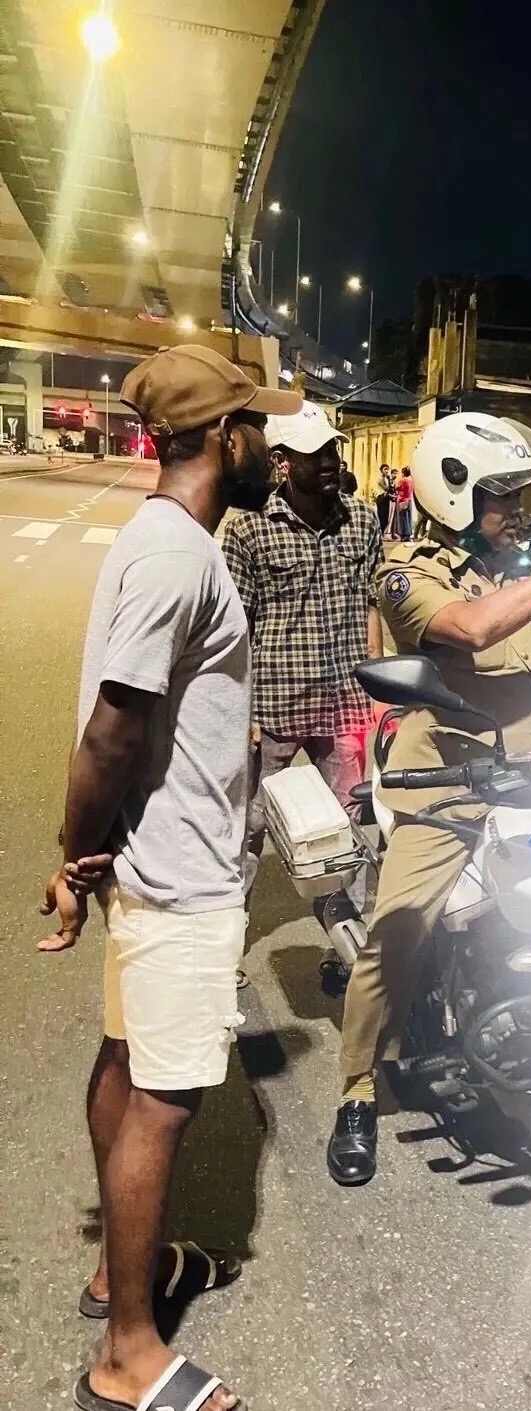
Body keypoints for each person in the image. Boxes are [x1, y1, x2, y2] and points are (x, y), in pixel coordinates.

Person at [38, 344, 302, 1411]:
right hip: (179, 873)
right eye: (259, 427)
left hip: (157, 858)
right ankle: (130, 1354)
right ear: (225, 439)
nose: (271, 445)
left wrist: (91, 853)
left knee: (126, 1056)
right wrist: (73, 854)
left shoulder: (165, 543)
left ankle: (121, 1276)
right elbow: (112, 728)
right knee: (164, 1096)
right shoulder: (178, 557)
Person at [328, 413, 531, 1186]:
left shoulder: (516, 567)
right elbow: (471, 629)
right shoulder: (405, 571)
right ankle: (357, 1089)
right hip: (453, 784)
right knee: (396, 932)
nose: (516, 511)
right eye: (501, 496)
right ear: (453, 494)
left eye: (519, 495)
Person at [222, 400, 383, 912]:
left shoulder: (362, 520)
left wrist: (379, 686)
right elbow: (236, 629)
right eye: (315, 455)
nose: (330, 462)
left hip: (344, 706)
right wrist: (242, 710)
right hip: (275, 708)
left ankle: (348, 933)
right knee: (250, 825)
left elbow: (370, 604)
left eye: (332, 450)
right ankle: (228, 931)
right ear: (282, 462)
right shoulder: (249, 529)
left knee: (348, 823)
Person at [394, 465, 414, 541]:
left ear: (403, 473)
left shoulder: (403, 480)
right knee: (408, 518)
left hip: (402, 500)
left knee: (403, 518)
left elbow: (396, 487)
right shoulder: (411, 480)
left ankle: (404, 534)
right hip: (409, 499)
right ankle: (408, 534)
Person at [374, 463, 393, 534]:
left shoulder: (386, 478)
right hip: (381, 497)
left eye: (387, 469)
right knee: (382, 516)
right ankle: (380, 533)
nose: (387, 471)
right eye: (385, 469)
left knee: (386, 516)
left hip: (386, 497)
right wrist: (389, 479)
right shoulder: (380, 478)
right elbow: (387, 488)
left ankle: (382, 532)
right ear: (381, 470)